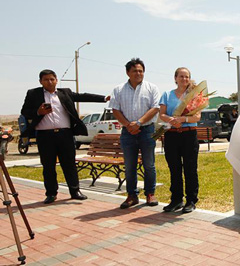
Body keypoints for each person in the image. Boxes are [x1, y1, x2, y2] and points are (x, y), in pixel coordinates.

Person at [20, 69, 109, 204]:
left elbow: (83, 96)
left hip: (65, 134)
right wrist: (38, 111)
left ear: (56, 80)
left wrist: (103, 98)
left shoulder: (65, 92)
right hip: (45, 135)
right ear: (40, 82)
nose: (49, 82)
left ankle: (75, 191)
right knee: (48, 166)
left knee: (69, 165)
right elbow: (25, 111)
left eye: (52, 79)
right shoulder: (33, 94)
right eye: (46, 80)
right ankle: (51, 193)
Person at [109, 58, 160, 209]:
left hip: (147, 130)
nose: (138, 73)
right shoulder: (118, 89)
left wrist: (138, 123)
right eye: (135, 71)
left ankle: (150, 194)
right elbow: (115, 109)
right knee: (129, 165)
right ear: (127, 72)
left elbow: (155, 108)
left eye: (141, 71)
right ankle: (132, 195)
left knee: (149, 165)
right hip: (127, 132)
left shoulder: (152, 88)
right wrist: (128, 125)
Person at [158, 67, 200, 213]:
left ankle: (191, 200)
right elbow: (161, 114)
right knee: (174, 169)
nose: (184, 79)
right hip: (172, 135)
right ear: (175, 78)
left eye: (187, 76)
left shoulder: (193, 96)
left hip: (189, 135)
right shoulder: (167, 95)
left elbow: (197, 117)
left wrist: (183, 119)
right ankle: (176, 200)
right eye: (181, 76)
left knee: (190, 168)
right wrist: (170, 119)